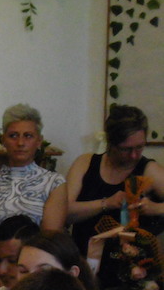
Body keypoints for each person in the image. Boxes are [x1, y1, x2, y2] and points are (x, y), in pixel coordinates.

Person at [0, 104, 66, 288]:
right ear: (3, 140)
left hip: (35, 276)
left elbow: (48, 238)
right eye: (13, 135)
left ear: (39, 141)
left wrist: (23, 280)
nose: (20, 143)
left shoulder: (54, 182)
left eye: (28, 136)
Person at [65, 104, 164, 255]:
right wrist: (107, 203)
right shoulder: (85, 163)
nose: (134, 155)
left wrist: (156, 208)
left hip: (130, 263)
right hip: (83, 259)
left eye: (140, 147)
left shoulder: (150, 170)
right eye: (125, 149)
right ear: (110, 142)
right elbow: (64, 211)